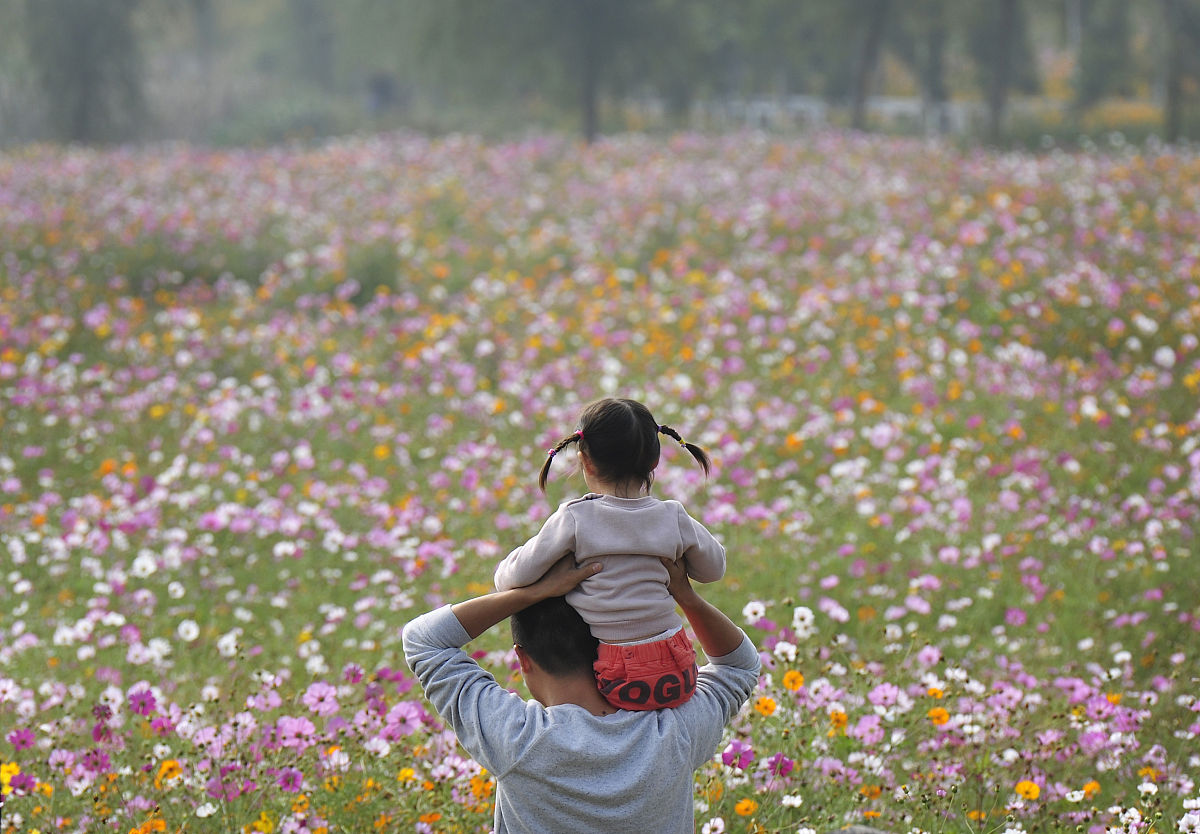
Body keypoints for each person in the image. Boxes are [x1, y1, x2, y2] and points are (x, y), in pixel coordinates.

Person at [402, 555, 760, 834]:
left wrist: (530, 594)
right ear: (613, 648)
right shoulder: (672, 733)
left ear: (522, 658)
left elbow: (423, 640)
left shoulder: (517, 737)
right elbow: (739, 666)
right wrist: (686, 597)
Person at [493, 397, 725, 710]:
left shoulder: (575, 518)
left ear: (585, 461)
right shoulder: (673, 516)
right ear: (654, 461)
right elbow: (714, 570)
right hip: (680, 670)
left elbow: (513, 578)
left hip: (618, 680)